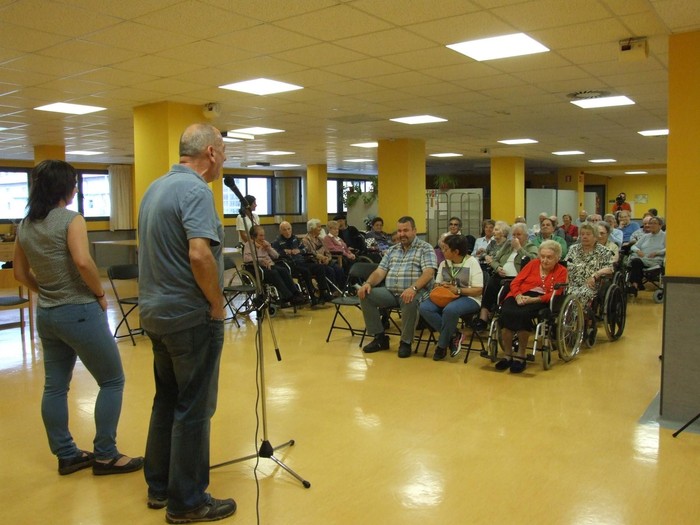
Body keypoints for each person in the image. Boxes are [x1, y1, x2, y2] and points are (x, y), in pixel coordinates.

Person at [13, 160, 144, 477]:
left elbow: (19, 273)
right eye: (74, 184)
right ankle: (105, 455)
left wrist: (45, 290)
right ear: (66, 189)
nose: (76, 189)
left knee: (55, 387)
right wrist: (100, 294)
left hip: (47, 314)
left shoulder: (25, 224)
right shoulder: (71, 220)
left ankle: (67, 454)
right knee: (112, 381)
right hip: (80, 312)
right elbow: (83, 262)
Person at [138, 123, 236, 522]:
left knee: (166, 400)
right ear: (210, 152)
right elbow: (199, 255)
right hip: (188, 316)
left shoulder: (154, 188)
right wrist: (216, 304)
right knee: (194, 408)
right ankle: (188, 501)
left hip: (156, 314)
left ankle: (159, 487)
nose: (225, 159)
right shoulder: (197, 191)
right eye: (224, 151)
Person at [358, 216, 437, 358]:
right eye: (399, 231)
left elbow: (429, 273)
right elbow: (380, 272)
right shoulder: (392, 250)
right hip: (391, 291)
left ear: (414, 231)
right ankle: (380, 338)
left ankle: (406, 342)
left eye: (406, 230)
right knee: (366, 295)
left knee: (409, 299)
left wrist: (413, 288)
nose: (402, 234)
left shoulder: (425, 248)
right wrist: (368, 283)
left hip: (416, 291)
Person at [495, 240, 568, 374]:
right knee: (506, 312)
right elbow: (516, 282)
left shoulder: (561, 271)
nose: (544, 260)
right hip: (519, 294)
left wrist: (533, 299)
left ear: (557, 258)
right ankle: (507, 354)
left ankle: (521, 355)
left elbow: (556, 293)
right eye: (542, 256)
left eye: (549, 257)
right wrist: (517, 296)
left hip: (539, 299)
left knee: (523, 315)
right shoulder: (533, 264)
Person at [419, 235, 483, 361]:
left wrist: (458, 290)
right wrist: (442, 285)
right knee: (424, 307)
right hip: (446, 296)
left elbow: (478, 289)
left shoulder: (472, 262)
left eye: (446, 249)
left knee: (450, 310)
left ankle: (442, 346)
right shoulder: (444, 263)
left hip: (469, 297)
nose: (443, 251)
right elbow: (436, 284)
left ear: (456, 252)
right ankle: (454, 334)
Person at [472, 223, 538, 331]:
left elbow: (533, 261)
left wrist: (519, 248)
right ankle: (483, 317)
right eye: (514, 235)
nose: (516, 237)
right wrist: (497, 267)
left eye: (519, 234)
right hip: (501, 275)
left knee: (505, 286)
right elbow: (495, 259)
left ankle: (503, 316)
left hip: (518, 279)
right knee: (491, 282)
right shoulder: (508, 245)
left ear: (526, 236)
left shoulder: (531, 246)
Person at [244, 225, 308, 307]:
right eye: (260, 236)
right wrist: (260, 260)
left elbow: (276, 256)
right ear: (253, 237)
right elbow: (246, 258)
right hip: (257, 268)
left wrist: (269, 248)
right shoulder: (248, 245)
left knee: (284, 270)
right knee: (274, 273)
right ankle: (288, 296)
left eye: (263, 235)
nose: (263, 237)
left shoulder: (265, 243)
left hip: (270, 266)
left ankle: (296, 294)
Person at [272, 221, 333, 305]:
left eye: (289, 229)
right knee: (305, 271)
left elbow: (305, 249)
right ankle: (312, 295)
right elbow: (276, 255)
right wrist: (286, 252)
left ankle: (323, 293)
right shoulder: (277, 242)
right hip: (290, 264)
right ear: (281, 231)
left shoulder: (295, 239)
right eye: (284, 230)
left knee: (320, 267)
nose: (287, 231)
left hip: (301, 261)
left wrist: (299, 250)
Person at [564, 224, 613, 305]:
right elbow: (565, 264)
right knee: (559, 293)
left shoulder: (604, 251)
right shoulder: (573, 249)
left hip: (590, 285)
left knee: (580, 294)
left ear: (595, 236)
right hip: (571, 283)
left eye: (588, 234)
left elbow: (609, 268)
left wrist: (595, 275)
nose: (584, 237)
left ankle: (577, 316)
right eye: (582, 234)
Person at [627, 217, 666, 296]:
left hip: (655, 260)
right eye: (650, 223)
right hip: (642, 259)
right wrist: (638, 251)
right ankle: (636, 285)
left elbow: (669, 249)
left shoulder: (665, 236)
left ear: (660, 225)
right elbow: (633, 246)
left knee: (636, 262)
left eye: (654, 223)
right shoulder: (646, 236)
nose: (651, 225)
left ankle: (636, 285)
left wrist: (657, 252)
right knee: (635, 261)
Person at [302, 218, 345, 289]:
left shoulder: (321, 239)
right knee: (330, 270)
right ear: (312, 228)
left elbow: (327, 252)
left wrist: (328, 258)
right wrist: (322, 257)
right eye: (319, 227)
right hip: (316, 262)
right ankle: (332, 291)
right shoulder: (306, 240)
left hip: (326, 261)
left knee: (338, 269)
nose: (321, 229)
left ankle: (342, 290)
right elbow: (311, 253)